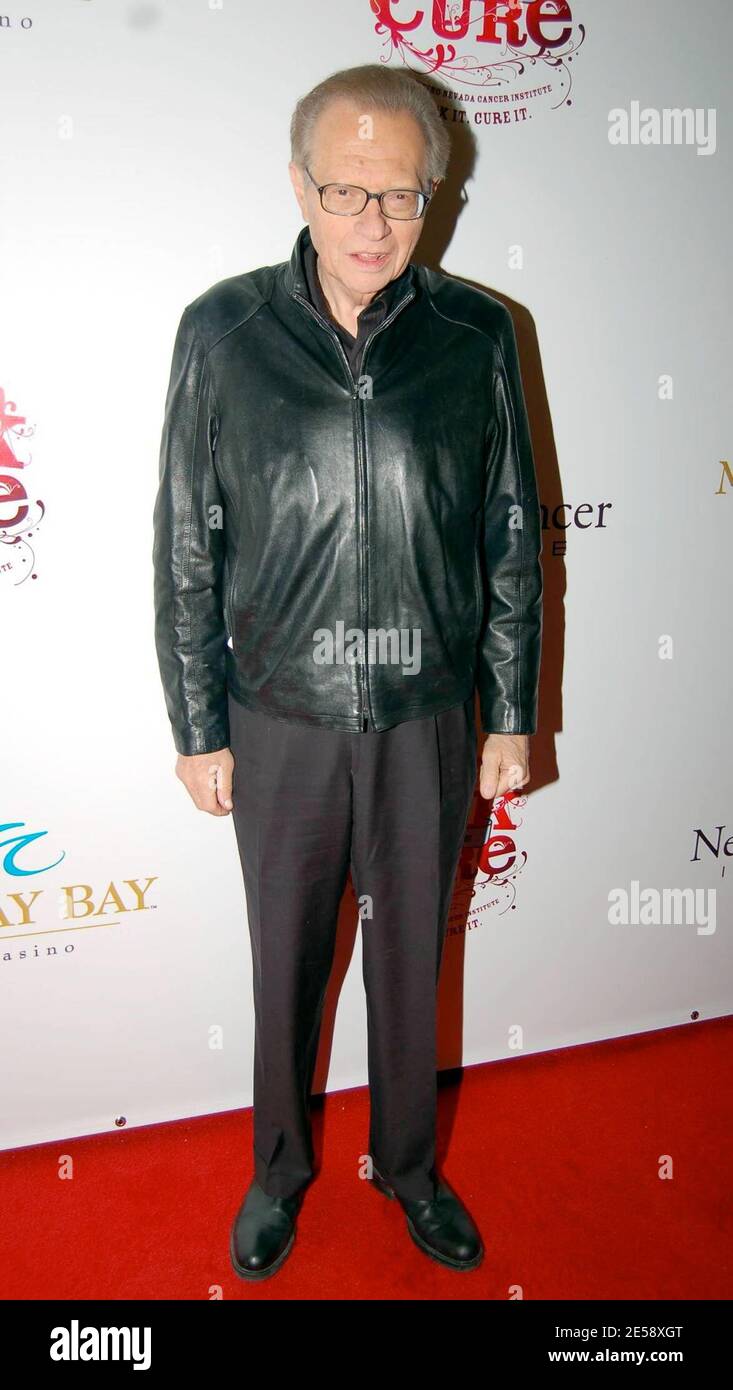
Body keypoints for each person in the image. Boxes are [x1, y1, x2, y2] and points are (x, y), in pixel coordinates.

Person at [152, 62, 543, 1280]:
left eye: (402, 196)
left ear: (434, 196)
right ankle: (279, 1172)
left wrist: (511, 710)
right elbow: (183, 542)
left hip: (430, 718)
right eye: (345, 190)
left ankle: (412, 1171)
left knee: (412, 972)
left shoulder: (477, 332)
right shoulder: (223, 331)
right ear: (297, 186)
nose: (374, 224)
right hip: (281, 725)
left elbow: (513, 534)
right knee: (287, 969)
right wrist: (198, 724)